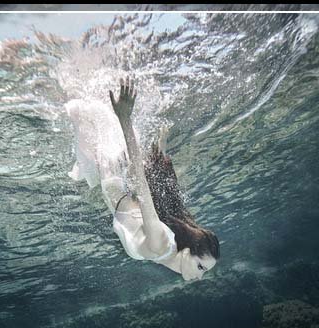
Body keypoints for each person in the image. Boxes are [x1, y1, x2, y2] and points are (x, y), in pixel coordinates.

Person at [67, 77, 219, 280]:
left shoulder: (165, 250)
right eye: (201, 268)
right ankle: (68, 73)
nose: (199, 277)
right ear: (187, 252)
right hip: (113, 174)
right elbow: (144, 190)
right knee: (78, 106)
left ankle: (73, 76)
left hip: (116, 179)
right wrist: (124, 119)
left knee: (82, 107)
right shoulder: (161, 246)